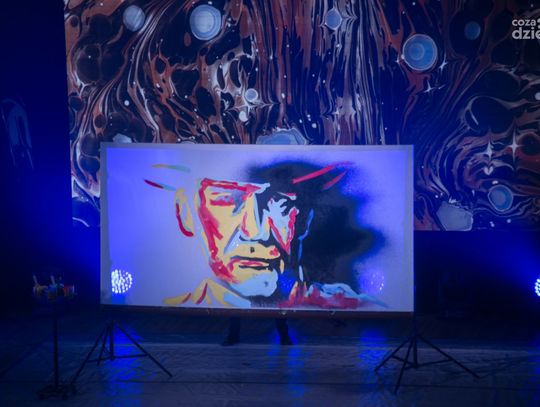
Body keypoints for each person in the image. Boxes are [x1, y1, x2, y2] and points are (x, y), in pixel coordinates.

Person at [145, 161, 386, 310]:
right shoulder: (178, 302)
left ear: (304, 221)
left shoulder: (354, 304)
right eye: (229, 200)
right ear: (185, 213)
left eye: (280, 205)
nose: (255, 231)